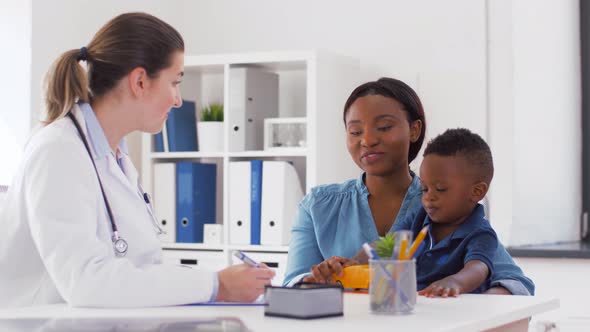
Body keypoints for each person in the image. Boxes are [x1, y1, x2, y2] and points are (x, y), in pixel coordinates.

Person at [0, 12, 274, 308]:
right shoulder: (58, 151)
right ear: (140, 81)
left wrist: (218, 282)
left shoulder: (115, 156)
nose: (178, 100)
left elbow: (140, 268)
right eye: (174, 82)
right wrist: (216, 285)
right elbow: (87, 283)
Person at [283, 77, 534, 296]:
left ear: (414, 129)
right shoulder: (318, 205)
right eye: (355, 131)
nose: (368, 140)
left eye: (384, 127)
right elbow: (291, 288)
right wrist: (320, 277)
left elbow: (514, 283)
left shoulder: (444, 206)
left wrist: (469, 303)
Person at [398, 128, 498, 297]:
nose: (429, 197)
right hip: (415, 307)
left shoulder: (481, 233)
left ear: (477, 192)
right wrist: (354, 261)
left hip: (455, 311)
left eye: (441, 189)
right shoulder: (418, 217)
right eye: (424, 189)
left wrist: (456, 282)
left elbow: (477, 268)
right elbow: (386, 245)